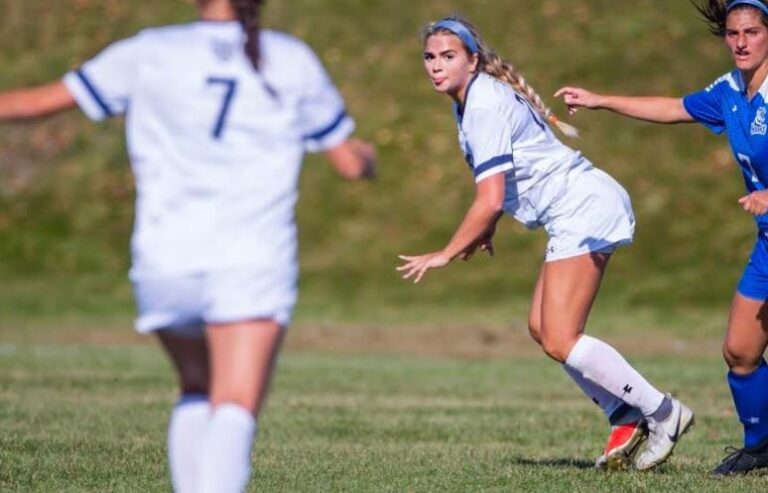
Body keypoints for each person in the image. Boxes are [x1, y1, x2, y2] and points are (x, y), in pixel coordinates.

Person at [0, 0, 375, 491]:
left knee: (197, 389)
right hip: (251, 257)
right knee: (234, 401)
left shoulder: (149, 50)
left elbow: (34, 103)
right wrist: (367, 160)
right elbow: (348, 162)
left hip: (165, 257)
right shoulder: (290, 58)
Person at [396, 16, 694, 472]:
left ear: (472, 61)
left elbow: (489, 199)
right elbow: (506, 181)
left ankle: (662, 412)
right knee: (542, 328)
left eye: (448, 56)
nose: (436, 65)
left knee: (559, 336)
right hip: (575, 209)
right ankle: (624, 413)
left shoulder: (482, 104)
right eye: (430, 57)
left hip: (583, 206)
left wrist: (446, 253)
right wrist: (486, 229)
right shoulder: (471, 100)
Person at [555, 0, 768, 477]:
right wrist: (601, 101)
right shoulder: (731, 91)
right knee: (740, 352)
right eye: (733, 33)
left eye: (752, 32)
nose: (740, 42)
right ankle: (761, 447)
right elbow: (673, 107)